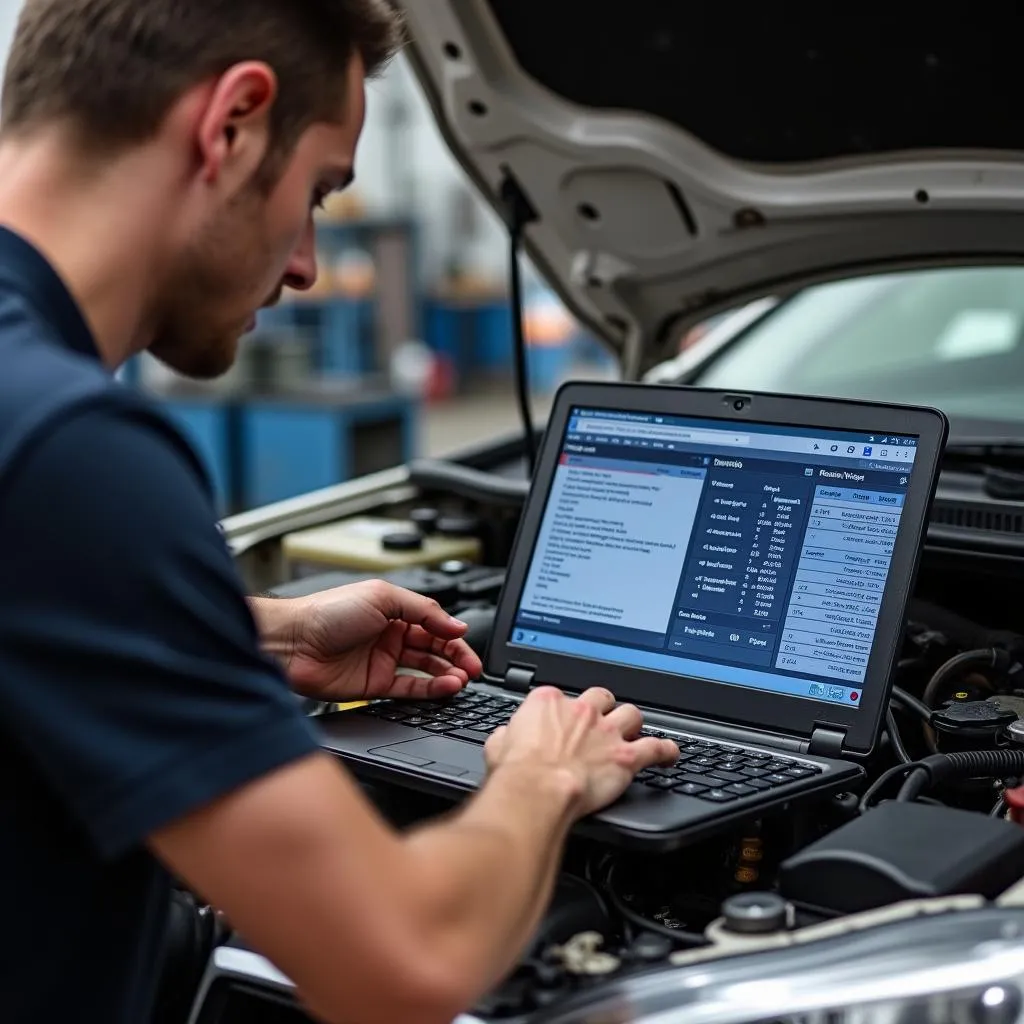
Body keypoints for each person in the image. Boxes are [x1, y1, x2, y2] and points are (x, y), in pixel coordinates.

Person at [0, 2, 681, 1022]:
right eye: (318, 190)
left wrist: (248, 638)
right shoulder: (73, 454)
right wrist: (544, 774)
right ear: (231, 123)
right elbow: (403, 962)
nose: (307, 265)